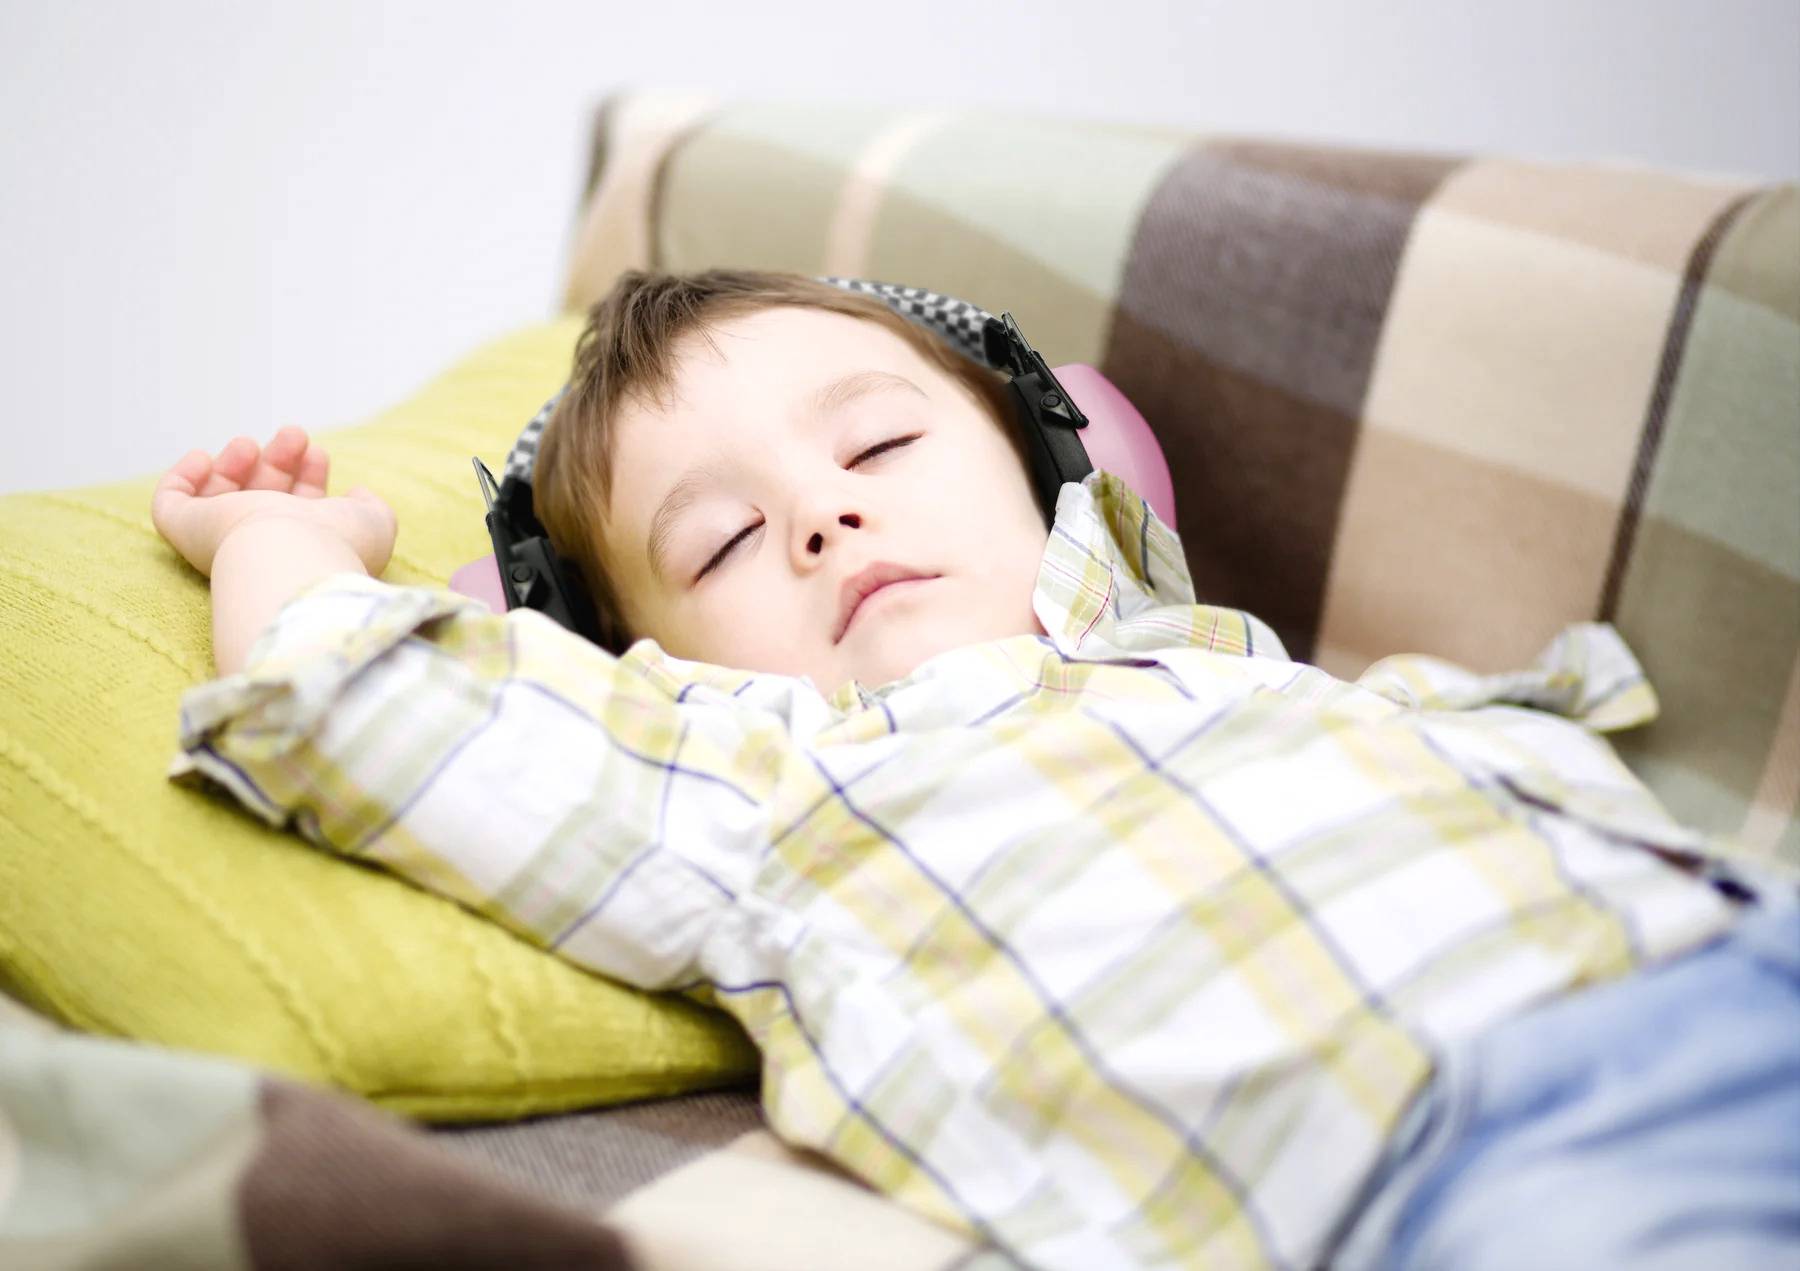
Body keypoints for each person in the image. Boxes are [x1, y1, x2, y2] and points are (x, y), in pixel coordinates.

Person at [152, 270, 1797, 1269]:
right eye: (719, 540)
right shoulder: (761, 784)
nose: (822, 511)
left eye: (876, 445)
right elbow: (361, 704)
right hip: (1479, 1148)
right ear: (649, 664)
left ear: (1032, 460)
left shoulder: (1197, 642)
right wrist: (288, 537)